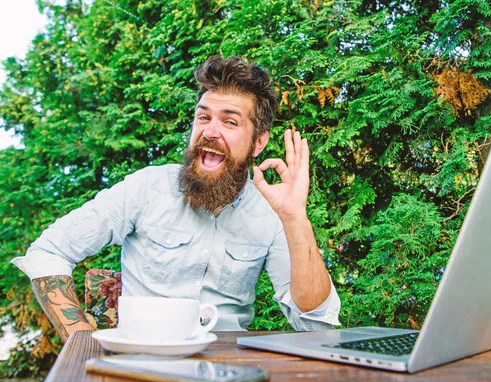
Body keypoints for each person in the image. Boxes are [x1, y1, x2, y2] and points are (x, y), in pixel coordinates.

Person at [11, 55, 341, 341]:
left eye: (229, 121)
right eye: (203, 117)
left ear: (258, 143)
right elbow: (49, 251)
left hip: (227, 373)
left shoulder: (272, 211)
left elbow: (316, 324)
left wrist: (296, 217)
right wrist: (81, 342)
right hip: (141, 368)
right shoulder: (144, 188)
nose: (210, 131)